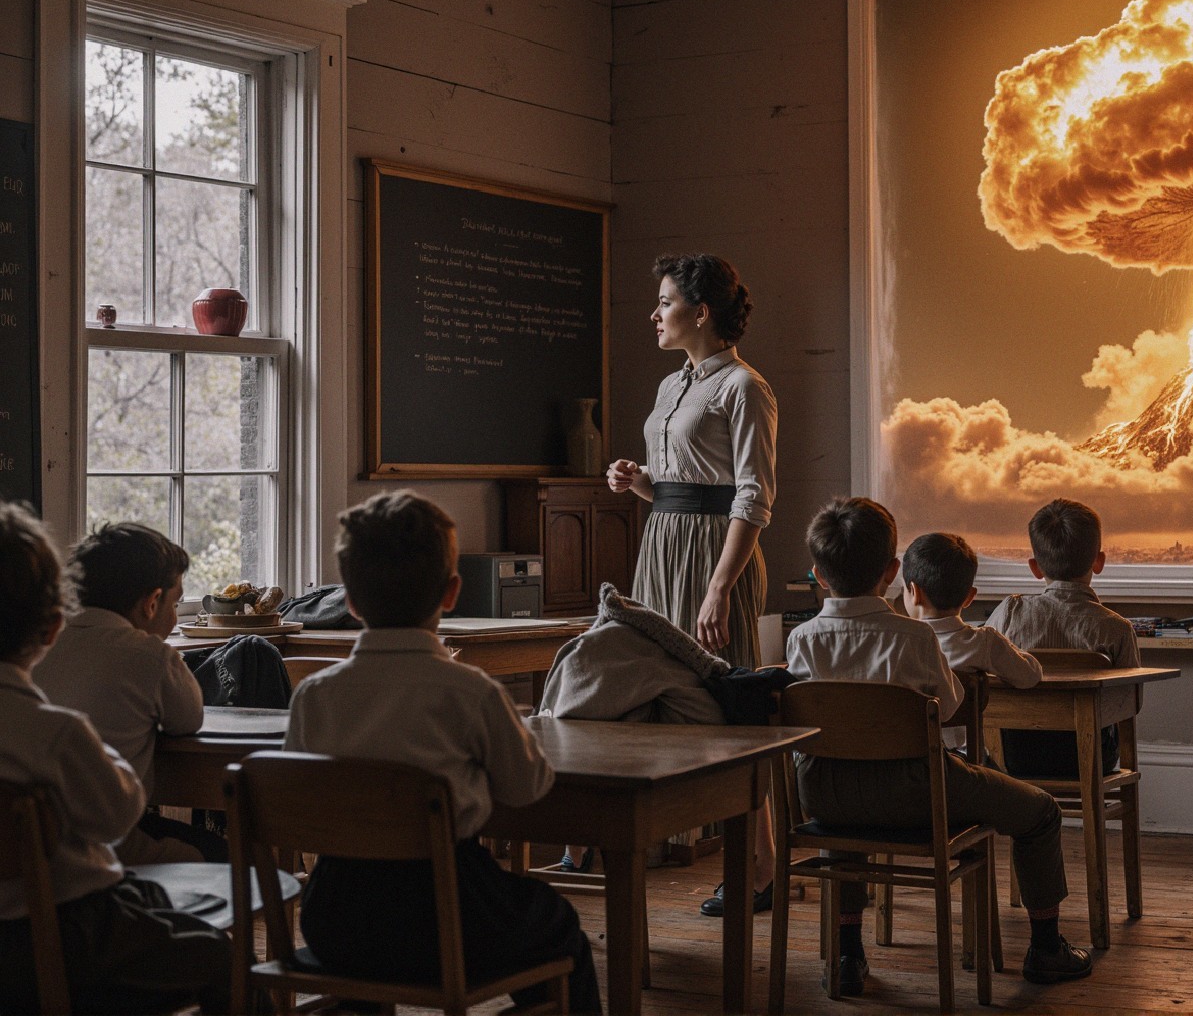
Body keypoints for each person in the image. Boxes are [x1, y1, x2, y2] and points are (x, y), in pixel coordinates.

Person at [284, 491, 600, 1012]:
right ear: (452, 592)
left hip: (336, 917)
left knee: (371, 961)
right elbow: (527, 787)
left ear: (353, 603)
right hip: (445, 911)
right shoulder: (470, 692)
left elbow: (303, 805)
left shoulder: (314, 696)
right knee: (557, 925)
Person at [786, 497, 1093, 996]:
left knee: (844, 810)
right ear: (890, 572)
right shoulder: (913, 639)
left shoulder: (800, 640)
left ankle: (847, 953)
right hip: (916, 794)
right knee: (1040, 812)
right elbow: (947, 709)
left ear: (819, 575)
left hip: (824, 795)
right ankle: (1045, 947)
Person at [0, 501, 231, 1014]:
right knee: (219, 956)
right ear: (51, 626)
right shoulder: (58, 734)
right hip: (68, 936)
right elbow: (115, 817)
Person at [606, 251, 779, 915]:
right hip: (664, 547)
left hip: (716, 558)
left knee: (731, 704)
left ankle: (760, 865)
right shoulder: (671, 384)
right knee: (666, 693)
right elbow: (682, 487)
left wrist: (717, 588)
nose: (654, 313)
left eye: (666, 302)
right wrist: (639, 482)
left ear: (700, 312)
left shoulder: (744, 387)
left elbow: (752, 497)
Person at [33, 521, 222, 865]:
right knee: (230, 851)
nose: (176, 619)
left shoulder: (42, 648)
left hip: (37, 848)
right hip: (108, 848)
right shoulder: (149, 655)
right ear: (152, 603)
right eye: (175, 604)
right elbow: (188, 719)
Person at [986, 498, 1137, 778]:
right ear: (1099, 561)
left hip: (1016, 756)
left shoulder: (1009, 613)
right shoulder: (1117, 628)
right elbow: (1129, 703)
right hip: (1091, 759)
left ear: (1035, 567)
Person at [901, 530, 1042, 753]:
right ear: (969, 597)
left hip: (913, 760)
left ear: (913, 592)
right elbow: (1031, 675)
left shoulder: (898, 645)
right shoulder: (983, 642)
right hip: (965, 764)